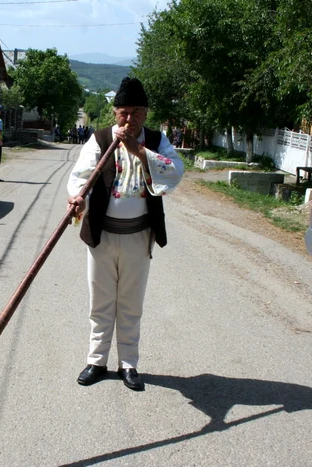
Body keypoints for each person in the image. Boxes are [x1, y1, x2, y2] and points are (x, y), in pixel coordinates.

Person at [67, 77, 184, 391]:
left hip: (137, 237)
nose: (128, 118)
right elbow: (82, 176)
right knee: (100, 302)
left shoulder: (158, 141)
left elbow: (176, 172)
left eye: (135, 112)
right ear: (114, 112)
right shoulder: (101, 139)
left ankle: (128, 365)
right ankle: (96, 361)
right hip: (102, 236)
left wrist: (140, 152)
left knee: (131, 303)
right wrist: (79, 198)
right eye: (122, 112)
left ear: (145, 113)